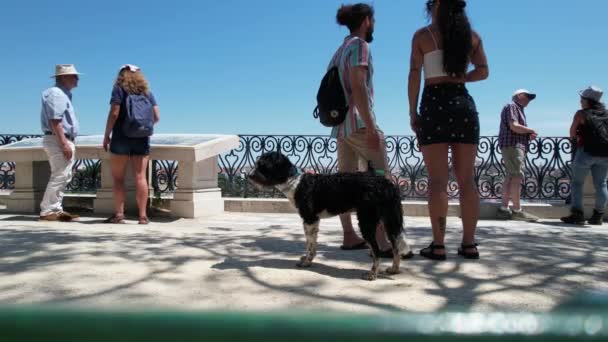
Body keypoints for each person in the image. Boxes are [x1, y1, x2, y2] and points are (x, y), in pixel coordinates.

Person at [408, 0, 489, 260]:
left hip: (433, 106)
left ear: (437, 5)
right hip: (463, 105)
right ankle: (468, 244)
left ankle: (439, 244)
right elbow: (484, 71)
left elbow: (414, 74)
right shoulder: (471, 37)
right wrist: (462, 77)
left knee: (437, 181)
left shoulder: (423, 36)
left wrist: (413, 112)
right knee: (467, 180)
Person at [329, 3, 399, 257]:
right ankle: (381, 242)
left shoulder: (339, 50)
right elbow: (358, 87)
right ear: (367, 20)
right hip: (358, 123)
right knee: (381, 180)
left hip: (340, 127)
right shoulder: (360, 46)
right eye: (373, 20)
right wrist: (371, 128)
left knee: (344, 185)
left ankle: (349, 236)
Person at [102, 65, 160, 224]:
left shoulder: (118, 89)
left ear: (121, 75)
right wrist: (141, 127)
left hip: (121, 137)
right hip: (141, 138)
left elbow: (114, 113)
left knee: (118, 178)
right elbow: (156, 117)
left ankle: (119, 214)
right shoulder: (147, 93)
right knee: (140, 177)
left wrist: (107, 135)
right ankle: (142, 216)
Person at [39, 64, 83, 222]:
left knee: (63, 175)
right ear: (63, 77)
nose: (77, 79)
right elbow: (55, 120)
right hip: (59, 139)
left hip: (59, 138)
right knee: (60, 175)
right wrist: (64, 143)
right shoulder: (57, 94)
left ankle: (55, 209)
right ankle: (48, 210)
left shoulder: (62, 94)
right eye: (74, 76)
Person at [561, 86, 608, 225]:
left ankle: (577, 214)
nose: (580, 101)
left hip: (586, 152)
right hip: (605, 154)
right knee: (601, 184)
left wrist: (575, 141)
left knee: (577, 183)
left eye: (582, 99)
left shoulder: (581, 114)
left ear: (587, 100)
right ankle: (598, 216)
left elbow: (572, 133)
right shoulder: (606, 114)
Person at [496, 89, 539, 222]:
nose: (529, 101)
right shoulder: (512, 106)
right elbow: (514, 126)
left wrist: (526, 135)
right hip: (513, 145)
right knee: (517, 176)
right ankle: (516, 210)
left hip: (512, 145)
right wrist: (530, 130)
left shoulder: (516, 108)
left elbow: (515, 128)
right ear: (519, 96)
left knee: (510, 176)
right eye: (527, 97)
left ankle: (504, 209)